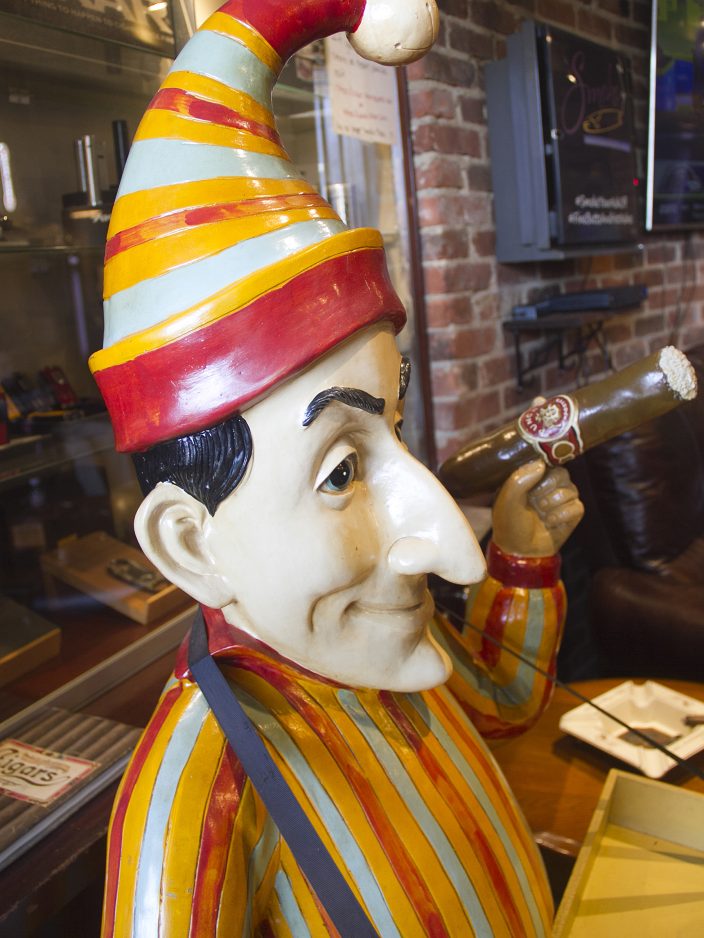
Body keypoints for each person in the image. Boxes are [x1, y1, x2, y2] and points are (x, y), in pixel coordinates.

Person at [89, 2, 583, 934]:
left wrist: (521, 560)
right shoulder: (200, 793)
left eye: (394, 427)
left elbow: (505, 701)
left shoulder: (378, 637)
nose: (450, 547)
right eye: (340, 473)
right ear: (190, 545)